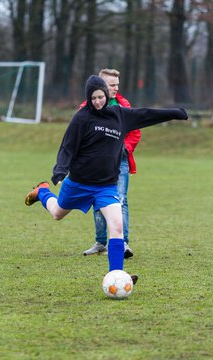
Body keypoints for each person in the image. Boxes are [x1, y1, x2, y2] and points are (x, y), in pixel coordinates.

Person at [25, 75, 188, 284]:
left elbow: (146, 114)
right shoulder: (81, 118)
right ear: (88, 98)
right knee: (57, 213)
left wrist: (175, 113)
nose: (98, 102)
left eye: (100, 97)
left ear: (107, 95)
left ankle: (116, 275)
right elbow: (68, 146)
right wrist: (59, 171)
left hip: (105, 186)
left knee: (117, 225)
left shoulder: (120, 115)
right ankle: (42, 192)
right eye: (93, 98)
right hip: (79, 183)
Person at [81, 68, 141, 258]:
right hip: (95, 164)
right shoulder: (86, 107)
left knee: (120, 200)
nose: (116, 88)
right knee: (97, 202)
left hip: (119, 162)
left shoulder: (123, 105)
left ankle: (122, 244)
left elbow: (135, 132)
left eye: (117, 84)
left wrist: (123, 148)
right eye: (112, 85)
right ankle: (100, 242)